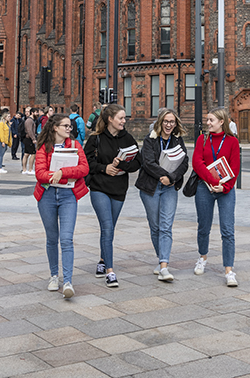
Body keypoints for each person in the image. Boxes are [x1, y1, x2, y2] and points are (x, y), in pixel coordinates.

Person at [83, 103, 140, 287]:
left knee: (110, 228)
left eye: (124, 118)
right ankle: (110, 271)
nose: (124, 121)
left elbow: (138, 162)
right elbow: (86, 163)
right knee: (107, 227)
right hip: (99, 187)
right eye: (121, 118)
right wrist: (104, 168)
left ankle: (102, 260)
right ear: (110, 119)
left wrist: (121, 164)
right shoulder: (96, 139)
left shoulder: (128, 139)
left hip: (119, 189)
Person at [33, 113, 89, 299]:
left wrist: (61, 172)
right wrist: (52, 176)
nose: (69, 129)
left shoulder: (75, 145)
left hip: (68, 196)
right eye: (65, 126)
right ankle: (54, 276)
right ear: (55, 127)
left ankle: (68, 281)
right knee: (52, 238)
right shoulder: (43, 147)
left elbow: (84, 169)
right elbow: (40, 173)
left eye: (70, 126)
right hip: (47, 196)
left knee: (66, 239)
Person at [135, 108, 189, 282]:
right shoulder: (150, 139)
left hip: (169, 188)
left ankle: (164, 266)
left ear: (175, 124)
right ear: (160, 122)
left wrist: (171, 178)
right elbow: (148, 163)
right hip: (150, 188)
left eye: (172, 122)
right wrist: (163, 176)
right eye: (166, 121)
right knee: (155, 226)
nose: (168, 125)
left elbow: (184, 162)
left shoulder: (177, 140)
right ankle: (161, 259)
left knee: (166, 226)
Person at [193, 107, 241, 287]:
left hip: (225, 190)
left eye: (211, 120)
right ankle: (202, 257)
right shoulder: (202, 139)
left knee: (227, 230)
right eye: (207, 120)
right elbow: (197, 162)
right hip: (205, 188)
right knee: (203, 226)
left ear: (222, 122)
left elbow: (235, 167)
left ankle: (229, 270)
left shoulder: (232, 142)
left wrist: (225, 186)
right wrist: (212, 181)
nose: (208, 123)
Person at [22, 107, 38, 175]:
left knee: (26, 154)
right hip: (29, 139)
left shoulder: (31, 120)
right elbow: (29, 131)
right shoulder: (29, 120)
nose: (37, 114)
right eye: (36, 112)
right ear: (32, 113)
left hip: (28, 139)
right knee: (32, 154)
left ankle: (25, 169)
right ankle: (30, 169)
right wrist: (33, 139)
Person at [0, 108, 11, 172]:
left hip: (6, 141)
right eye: (8, 116)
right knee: (0, 155)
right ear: (4, 117)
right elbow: (1, 133)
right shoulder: (1, 124)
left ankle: (0, 166)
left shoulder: (7, 123)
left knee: (1, 154)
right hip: (2, 141)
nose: (9, 118)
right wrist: (3, 142)